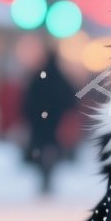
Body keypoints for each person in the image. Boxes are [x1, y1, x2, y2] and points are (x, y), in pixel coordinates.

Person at [23, 51, 77, 196]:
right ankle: (48, 178)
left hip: (40, 123)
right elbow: (71, 99)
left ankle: (44, 178)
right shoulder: (61, 78)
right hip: (55, 123)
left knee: (41, 151)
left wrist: (32, 117)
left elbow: (28, 100)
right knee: (52, 151)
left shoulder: (38, 77)